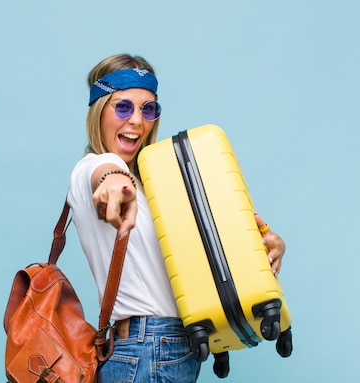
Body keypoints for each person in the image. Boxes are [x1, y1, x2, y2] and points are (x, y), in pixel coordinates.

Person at [67, 53, 286, 383]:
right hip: (146, 349)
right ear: (98, 111)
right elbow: (105, 174)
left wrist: (264, 241)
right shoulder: (92, 166)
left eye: (148, 109)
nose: (137, 121)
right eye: (122, 107)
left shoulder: (153, 184)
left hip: (170, 347)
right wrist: (112, 181)